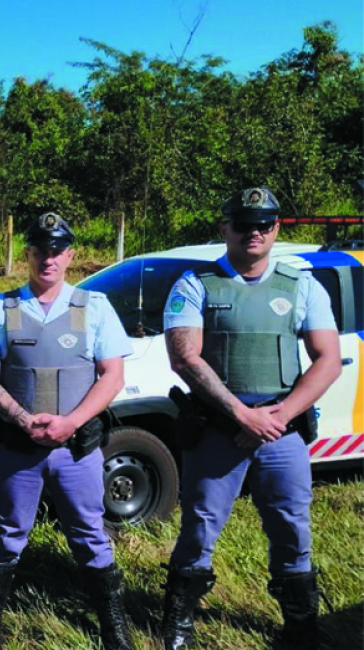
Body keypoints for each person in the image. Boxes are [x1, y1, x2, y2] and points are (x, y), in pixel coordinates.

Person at [160, 188, 340, 650]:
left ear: (277, 228)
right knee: (200, 525)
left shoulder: (301, 286)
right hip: (220, 428)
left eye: (264, 222)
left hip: (282, 428)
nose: (253, 231)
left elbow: (327, 359)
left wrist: (279, 415)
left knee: (291, 526)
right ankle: (178, 620)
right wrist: (241, 414)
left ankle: (300, 625)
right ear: (225, 229)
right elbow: (185, 358)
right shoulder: (194, 285)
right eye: (242, 223)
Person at [0, 212, 134, 650]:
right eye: (40, 249)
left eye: (58, 250)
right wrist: (22, 419)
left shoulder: (94, 307)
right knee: (6, 533)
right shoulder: (0, 309)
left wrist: (70, 423)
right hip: (20, 447)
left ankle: (113, 626)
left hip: (76, 449)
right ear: (28, 253)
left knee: (90, 534)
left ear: (71, 255)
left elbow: (112, 377)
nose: (49, 258)